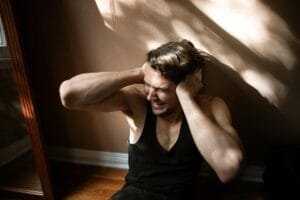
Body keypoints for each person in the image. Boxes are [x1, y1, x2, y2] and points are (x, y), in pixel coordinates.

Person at [59, 39, 244, 200]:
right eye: (149, 86)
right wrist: (138, 73)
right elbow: (69, 95)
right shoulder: (137, 102)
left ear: (186, 85)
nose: (151, 96)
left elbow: (228, 169)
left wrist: (186, 98)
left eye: (162, 89)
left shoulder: (210, 106)